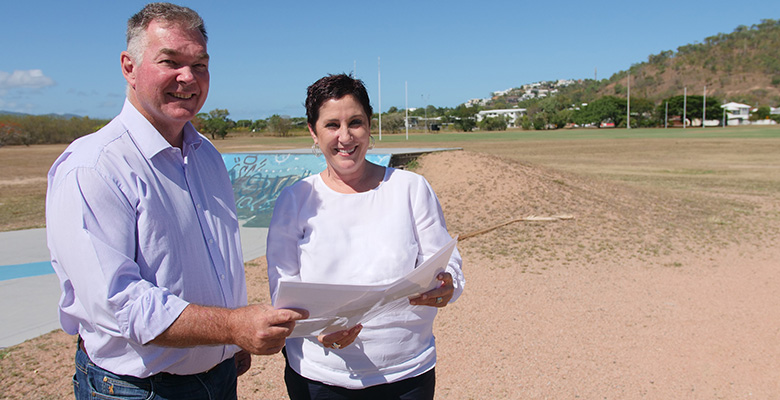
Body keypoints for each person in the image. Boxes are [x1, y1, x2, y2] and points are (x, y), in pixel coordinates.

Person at [45, 3, 307, 399]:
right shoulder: (93, 167)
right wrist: (232, 327)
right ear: (128, 67)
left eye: (200, 65)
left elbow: (218, 259)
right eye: (170, 61)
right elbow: (120, 304)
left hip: (217, 376)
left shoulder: (208, 156)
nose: (188, 78)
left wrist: (229, 345)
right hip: (137, 388)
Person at [266, 73, 465, 399]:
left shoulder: (410, 188)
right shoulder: (295, 198)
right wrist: (319, 332)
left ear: (369, 127)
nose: (345, 136)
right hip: (319, 376)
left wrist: (447, 285)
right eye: (332, 125)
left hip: (407, 372)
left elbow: (445, 260)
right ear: (313, 133)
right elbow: (284, 290)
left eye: (355, 122)